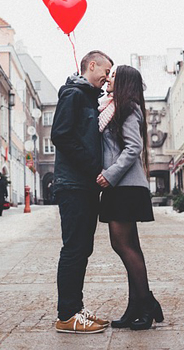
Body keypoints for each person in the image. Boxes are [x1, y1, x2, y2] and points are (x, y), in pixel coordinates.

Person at [51, 50, 114, 334]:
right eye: (106, 70)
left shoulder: (88, 97)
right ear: (92, 65)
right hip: (74, 184)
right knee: (74, 249)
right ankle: (66, 315)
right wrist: (93, 168)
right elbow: (61, 135)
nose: (107, 77)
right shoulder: (74, 95)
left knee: (82, 249)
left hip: (84, 184)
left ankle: (76, 309)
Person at [96, 65, 163, 331]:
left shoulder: (129, 108)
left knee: (123, 246)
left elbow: (133, 147)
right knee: (129, 246)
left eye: (113, 76)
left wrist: (110, 174)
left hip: (124, 185)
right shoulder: (110, 108)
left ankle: (145, 304)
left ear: (123, 82)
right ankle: (138, 304)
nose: (108, 80)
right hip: (119, 186)